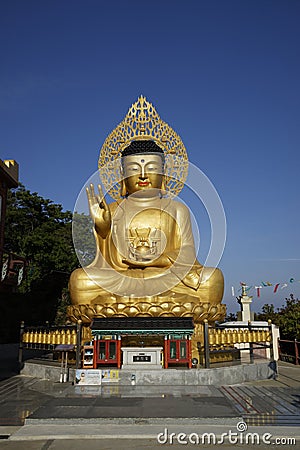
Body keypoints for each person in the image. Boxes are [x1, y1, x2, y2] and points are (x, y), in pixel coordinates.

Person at [69, 140, 224, 323]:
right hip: (122, 277)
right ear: (122, 176)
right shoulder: (111, 209)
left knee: (211, 278)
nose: (143, 175)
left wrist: (160, 260)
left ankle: (126, 305)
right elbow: (105, 262)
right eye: (134, 169)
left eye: (151, 168)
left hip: (166, 276)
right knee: (80, 280)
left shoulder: (177, 209)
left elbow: (187, 252)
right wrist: (103, 229)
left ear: (164, 174)